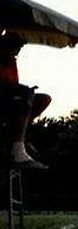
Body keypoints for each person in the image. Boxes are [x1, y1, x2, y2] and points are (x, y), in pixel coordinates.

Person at [0, 31, 50, 170]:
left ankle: (19, 135)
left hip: (9, 98)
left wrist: (26, 91)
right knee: (23, 104)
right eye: (15, 47)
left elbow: (13, 84)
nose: (17, 51)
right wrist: (22, 90)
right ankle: (18, 150)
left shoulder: (11, 62)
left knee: (43, 99)